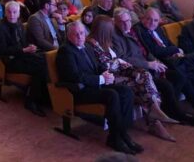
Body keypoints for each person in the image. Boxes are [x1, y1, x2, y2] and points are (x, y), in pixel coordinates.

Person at [87, 16, 178, 141]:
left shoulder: (106, 42)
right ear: (103, 31)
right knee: (139, 84)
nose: (112, 32)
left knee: (144, 75)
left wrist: (122, 63)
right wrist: (121, 63)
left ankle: (154, 112)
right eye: (110, 30)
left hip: (119, 74)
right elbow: (105, 66)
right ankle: (155, 119)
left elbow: (116, 61)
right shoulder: (92, 44)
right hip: (107, 78)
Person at [56, 22, 141, 154]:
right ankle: (115, 138)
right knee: (112, 95)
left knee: (126, 92)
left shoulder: (87, 47)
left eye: (82, 33)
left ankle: (122, 134)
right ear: (69, 36)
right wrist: (100, 79)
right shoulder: (65, 51)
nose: (80, 36)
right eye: (76, 34)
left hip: (95, 86)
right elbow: (74, 76)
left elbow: (97, 66)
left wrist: (106, 73)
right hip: (79, 91)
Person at [0, 2, 47, 117]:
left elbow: (24, 42)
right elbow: (2, 50)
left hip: (23, 55)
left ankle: (42, 95)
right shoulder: (0, 27)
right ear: (5, 12)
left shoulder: (19, 24)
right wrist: (23, 50)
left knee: (46, 61)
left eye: (15, 12)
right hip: (10, 60)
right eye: (9, 12)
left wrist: (31, 47)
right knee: (39, 69)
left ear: (18, 13)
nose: (12, 15)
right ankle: (31, 100)